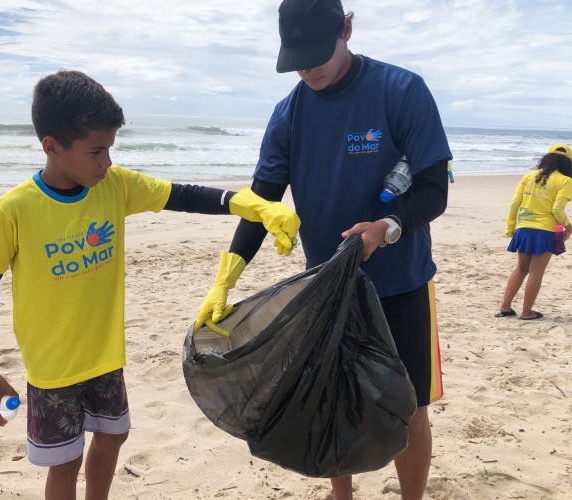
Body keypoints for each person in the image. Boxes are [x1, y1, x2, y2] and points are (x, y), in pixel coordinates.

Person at [0, 70, 300, 500]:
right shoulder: (15, 210)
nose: (106, 162)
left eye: (109, 149)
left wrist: (246, 203)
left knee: (114, 436)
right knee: (65, 461)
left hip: (105, 356)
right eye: (96, 151)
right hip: (53, 369)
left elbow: (182, 195)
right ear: (52, 146)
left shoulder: (115, 186)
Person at [193, 0, 452, 498]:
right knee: (329, 398)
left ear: (346, 29)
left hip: (401, 284)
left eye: (315, 53)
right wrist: (226, 279)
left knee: (412, 408)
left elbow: (433, 189)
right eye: (295, 58)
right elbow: (261, 200)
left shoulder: (401, 91)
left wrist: (386, 228)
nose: (306, 68)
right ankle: (341, 495)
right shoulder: (288, 114)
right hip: (327, 290)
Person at [495, 144, 572, 320]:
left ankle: (505, 308)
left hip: (523, 228)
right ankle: (527, 312)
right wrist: (569, 226)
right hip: (544, 231)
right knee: (536, 272)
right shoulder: (565, 181)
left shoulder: (529, 176)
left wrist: (511, 226)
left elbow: (515, 203)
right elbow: (557, 210)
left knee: (521, 268)